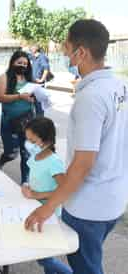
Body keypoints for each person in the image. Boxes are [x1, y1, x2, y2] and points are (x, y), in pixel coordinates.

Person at [25, 19, 128, 274]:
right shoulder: (119, 86)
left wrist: (48, 207)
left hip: (88, 207)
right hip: (112, 200)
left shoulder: (90, 97)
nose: (63, 51)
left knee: (87, 268)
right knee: (89, 262)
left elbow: (83, 164)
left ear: (81, 52)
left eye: (67, 46)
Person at [21, 117, 73, 274]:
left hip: (49, 215)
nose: (28, 143)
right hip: (35, 208)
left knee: (45, 257)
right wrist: (27, 186)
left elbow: (65, 189)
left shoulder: (53, 162)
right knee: (45, 254)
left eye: (32, 140)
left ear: (45, 140)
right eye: (27, 139)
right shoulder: (36, 155)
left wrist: (38, 194)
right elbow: (36, 177)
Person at [0, 50, 35, 184]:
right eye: (20, 62)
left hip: (27, 121)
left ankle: (25, 181)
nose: (22, 66)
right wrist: (19, 96)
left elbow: (34, 95)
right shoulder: (4, 78)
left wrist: (35, 98)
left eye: (25, 63)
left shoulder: (29, 79)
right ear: (13, 62)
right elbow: (0, 98)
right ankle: (3, 159)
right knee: (11, 152)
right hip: (9, 122)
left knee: (27, 153)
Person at [30, 46, 51, 116]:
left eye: (32, 47)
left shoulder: (42, 57)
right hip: (32, 84)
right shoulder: (33, 57)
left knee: (39, 106)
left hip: (38, 85)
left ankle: (39, 123)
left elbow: (46, 69)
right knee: (33, 105)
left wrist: (42, 79)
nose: (30, 48)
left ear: (36, 49)